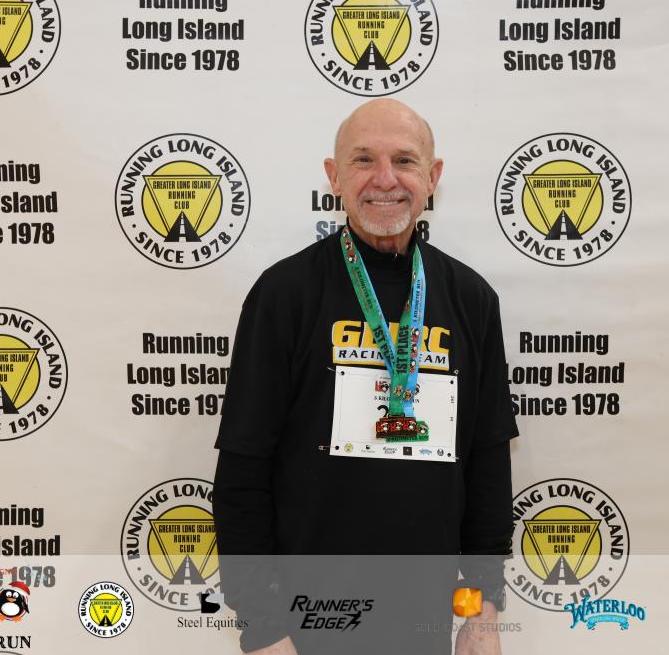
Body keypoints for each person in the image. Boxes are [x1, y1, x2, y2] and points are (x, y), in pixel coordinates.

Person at [213, 99, 518, 655]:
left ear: (433, 177)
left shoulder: (472, 300)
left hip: (425, 626)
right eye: (362, 160)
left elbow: (487, 472)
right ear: (334, 177)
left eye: (404, 160)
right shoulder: (284, 295)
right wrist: (262, 626)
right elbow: (242, 474)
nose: (385, 180)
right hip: (302, 630)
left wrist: (480, 612)